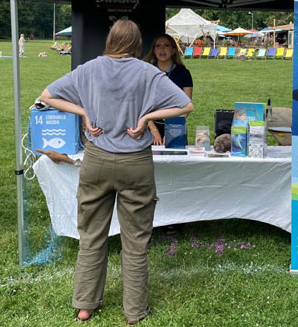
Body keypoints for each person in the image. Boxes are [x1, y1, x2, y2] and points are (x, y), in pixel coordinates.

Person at [39, 19, 193, 325]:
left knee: (92, 235)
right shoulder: (148, 72)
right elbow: (185, 105)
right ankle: (134, 311)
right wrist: (148, 116)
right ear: (137, 43)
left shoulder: (88, 69)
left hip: (96, 159)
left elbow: (46, 95)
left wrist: (83, 113)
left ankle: (85, 304)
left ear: (111, 40)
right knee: (135, 240)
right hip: (135, 162)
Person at [143, 34, 193, 144]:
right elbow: (141, 104)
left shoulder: (184, 73)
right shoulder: (147, 72)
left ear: (173, 50)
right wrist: (153, 129)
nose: (162, 49)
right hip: (149, 126)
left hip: (176, 124)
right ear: (154, 50)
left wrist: (173, 129)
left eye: (166, 45)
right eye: (158, 46)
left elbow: (187, 105)